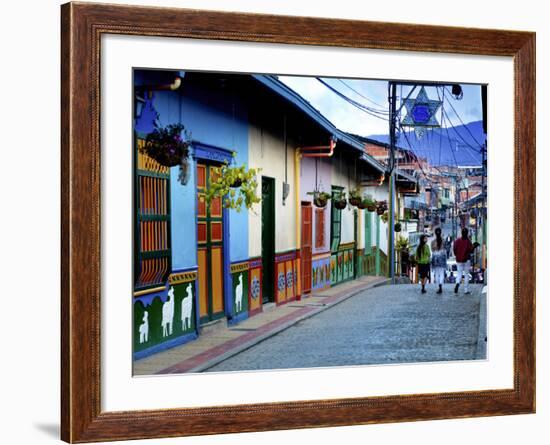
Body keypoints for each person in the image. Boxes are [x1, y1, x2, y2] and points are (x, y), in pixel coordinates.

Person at [453, 228, 480, 295]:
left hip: (459, 260)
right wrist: (474, 246)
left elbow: (454, 249)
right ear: (467, 233)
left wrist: (457, 255)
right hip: (466, 260)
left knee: (459, 274)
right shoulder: (468, 241)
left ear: (461, 233)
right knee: (466, 274)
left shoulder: (457, 240)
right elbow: (471, 250)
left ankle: (457, 283)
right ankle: (466, 290)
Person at [431, 227, 447, 294]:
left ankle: (438, 287)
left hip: (435, 257)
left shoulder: (433, 242)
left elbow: (432, 249)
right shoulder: (443, 240)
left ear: (435, 233)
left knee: (436, 273)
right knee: (442, 273)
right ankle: (440, 285)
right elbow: (445, 248)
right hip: (442, 257)